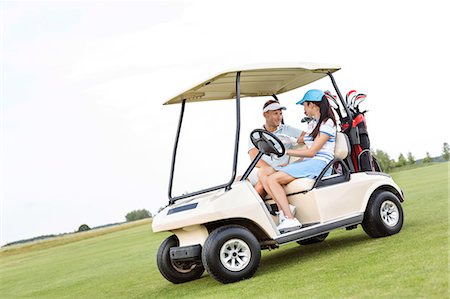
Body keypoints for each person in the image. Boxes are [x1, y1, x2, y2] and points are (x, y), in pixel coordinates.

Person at [258, 89, 337, 233]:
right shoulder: (314, 124)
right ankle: (286, 212)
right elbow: (307, 152)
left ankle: (289, 218)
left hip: (321, 164)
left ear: (312, 105)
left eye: (305, 106)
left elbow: (312, 152)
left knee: (273, 179)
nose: (304, 109)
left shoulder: (327, 123)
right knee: (268, 177)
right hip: (311, 162)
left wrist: (286, 151)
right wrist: (291, 164)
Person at [247, 99, 303, 197]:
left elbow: (309, 137)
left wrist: (295, 140)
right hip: (261, 169)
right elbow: (254, 159)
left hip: (277, 170)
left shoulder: (286, 129)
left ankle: (248, 211)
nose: (279, 117)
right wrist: (269, 168)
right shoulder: (257, 134)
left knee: (260, 186)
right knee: (240, 181)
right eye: (275, 113)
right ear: (265, 115)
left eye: (280, 114)